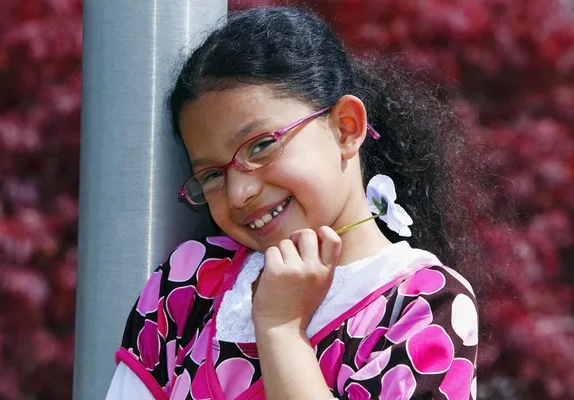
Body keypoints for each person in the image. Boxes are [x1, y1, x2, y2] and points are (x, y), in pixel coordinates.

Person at [106, 6, 478, 400]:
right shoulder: (190, 282)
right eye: (212, 175)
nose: (238, 194)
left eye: (262, 145)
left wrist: (282, 329)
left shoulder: (423, 305)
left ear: (346, 127)